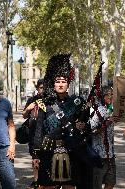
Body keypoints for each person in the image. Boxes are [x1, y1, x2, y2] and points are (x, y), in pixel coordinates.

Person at [32, 54, 90, 189]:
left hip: (71, 149)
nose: (60, 84)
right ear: (53, 83)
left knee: (69, 186)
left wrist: (83, 126)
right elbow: (39, 129)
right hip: (48, 150)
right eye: (57, 81)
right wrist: (35, 154)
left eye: (63, 81)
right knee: (48, 186)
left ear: (68, 84)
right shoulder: (44, 103)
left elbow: (87, 127)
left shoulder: (78, 102)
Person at [89, 86, 116, 189]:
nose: (111, 97)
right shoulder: (98, 110)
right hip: (98, 155)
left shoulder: (113, 109)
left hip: (110, 154)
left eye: (113, 94)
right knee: (97, 184)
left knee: (111, 182)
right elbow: (91, 130)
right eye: (108, 94)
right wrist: (107, 122)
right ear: (103, 96)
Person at [22, 79, 44, 189]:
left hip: (46, 135)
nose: (43, 90)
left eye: (45, 87)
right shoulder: (32, 100)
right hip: (33, 134)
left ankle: (44, 180)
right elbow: (24, 115)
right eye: (41, 87)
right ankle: (36, 181)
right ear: (37, 89)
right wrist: (28, 109)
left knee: (45, 159)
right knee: (35, 159)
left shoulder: (50, 101)